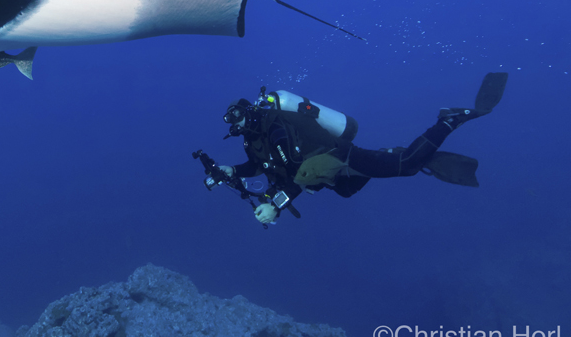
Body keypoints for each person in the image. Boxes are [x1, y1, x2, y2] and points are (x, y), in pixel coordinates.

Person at [193, 73, 508, 226]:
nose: (234, 123)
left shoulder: (274, 128)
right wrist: (231, 171)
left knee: (407, 164)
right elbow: (257, 166)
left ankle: (450, 120)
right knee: (347, 190)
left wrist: (275, 206)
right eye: (229, 119)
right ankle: (388, 154)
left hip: (338, 157)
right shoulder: (253, 141)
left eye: (236, 115)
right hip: (329, 172)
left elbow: (300, 173)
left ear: (249, 111)